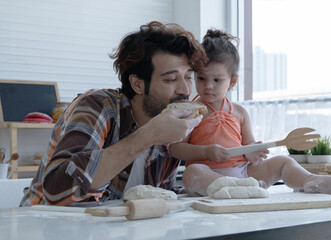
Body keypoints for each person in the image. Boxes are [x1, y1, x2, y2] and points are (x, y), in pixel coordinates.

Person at [20, 21, 207, 206]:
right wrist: (148, 136)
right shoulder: (98, 106)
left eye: (188, 77)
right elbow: (56, 191)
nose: (185, 89)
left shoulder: (168, 122)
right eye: (171, 79)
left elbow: (159, 195)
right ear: (137, 84)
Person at [169, 29, 331, 197]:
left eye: (217, 80)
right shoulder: (191, 111)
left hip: (244, 173)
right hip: (209, 175)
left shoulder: (240, 112)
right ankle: (233, 189)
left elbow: (247, 145)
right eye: (201, 78)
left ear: (232, 82)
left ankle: (311, 180)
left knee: (282, 161)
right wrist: (206, 152)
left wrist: (253, 152)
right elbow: (176, 149)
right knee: (192, 173)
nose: (208, 85)